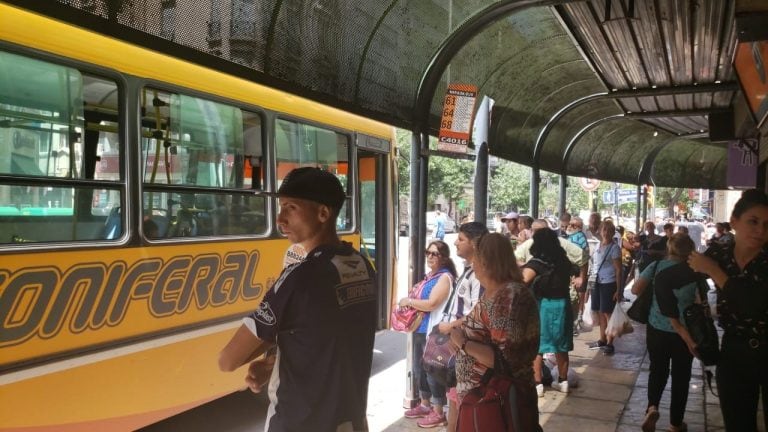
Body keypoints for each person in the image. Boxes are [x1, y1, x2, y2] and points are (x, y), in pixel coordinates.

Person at [218, 167, 377, 432]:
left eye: (290, 207)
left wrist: (268, 347)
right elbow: (325, 339)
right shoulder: (360, 265)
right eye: (281, 207)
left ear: (323, 213)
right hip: (351, 421)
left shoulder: (301, 276)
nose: (280, 219)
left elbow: (228, 360)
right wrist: (274, 361)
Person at [688, 189, 768, 432]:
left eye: (767, 225)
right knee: (737, 423)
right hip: (734, 350)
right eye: (753, 221)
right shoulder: (720, 253)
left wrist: (714, 271)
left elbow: (752, 304)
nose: (760, 230)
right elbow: (684, 272)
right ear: (734, 221)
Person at [448, 233, 540, 427]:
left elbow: (503, 360)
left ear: (487, 262)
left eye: (476, 259)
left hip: (496, 401)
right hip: (480, 398)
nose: (473, 265)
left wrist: (462, 342)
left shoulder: (508, 297)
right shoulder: (495, 293)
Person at [632, 233, 700, 432]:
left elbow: (635, 290)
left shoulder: (655, 268)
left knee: (657, 370)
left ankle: (652, 407)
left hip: (657, 328)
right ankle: (675, 424)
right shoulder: (694, 271)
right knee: (681, 377)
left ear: (669, 249)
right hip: (684, 333)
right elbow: (699, 302)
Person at [437, 222, 488, 432]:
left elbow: (477, 313)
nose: (456, 242)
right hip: (460, 345)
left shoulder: (479, 274)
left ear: (475, 244)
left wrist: (451, 326)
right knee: (455, 396)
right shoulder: (469, 270)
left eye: (461, 239)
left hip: (468, 348)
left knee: (463, 398)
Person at [400, 240, 456, 428]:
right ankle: (425, 404)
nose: (430, 256)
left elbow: (432, 304)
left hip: (434, 332)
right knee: (419, 370)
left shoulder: (445, 277)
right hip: (420, 328)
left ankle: (438, 410)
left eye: (435, 254)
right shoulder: (429, 276)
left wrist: (409, 301)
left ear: (444, 258)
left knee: (433, 371)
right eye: (428, 253)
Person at [522, 228, 574, 397]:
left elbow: (523, 280)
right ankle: (563, 381)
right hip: (563, 304)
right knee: (561, 344)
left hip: (544, 305)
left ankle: (537, 385)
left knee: (538, 345)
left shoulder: (537, 263)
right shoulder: (563, 260)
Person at [586, 219, 623, 355]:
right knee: (600, 312)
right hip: (597, 282)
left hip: (609, 283)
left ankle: (610, 342)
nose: (606, 232)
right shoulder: (597, 246)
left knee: (608, 313)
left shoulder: (614, 248)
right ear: (601, 231)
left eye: (609, 230)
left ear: (613, 232)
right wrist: (590, 286)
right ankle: (602, 338)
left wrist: (619, 290)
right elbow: (594, 266)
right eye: (604, 230)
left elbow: (619, 270)